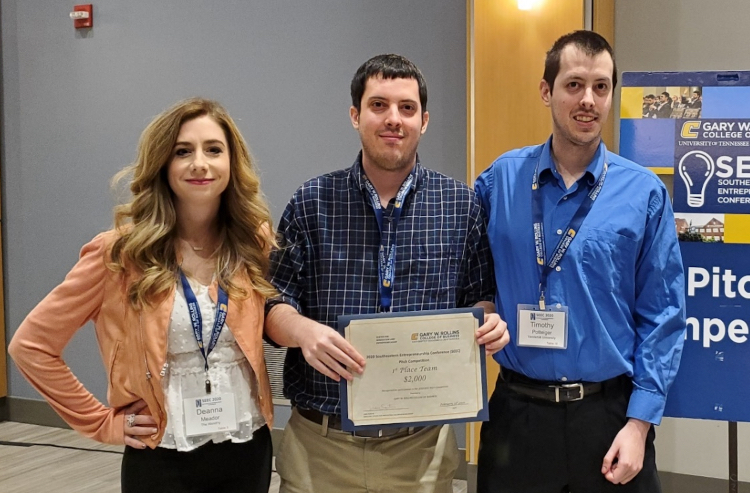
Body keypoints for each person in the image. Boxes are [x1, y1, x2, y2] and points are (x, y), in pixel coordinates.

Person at [265, 54, 509, 493]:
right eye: (379, 105)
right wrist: (303, 331)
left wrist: (486, 321)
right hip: (322, 447)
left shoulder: (460, 204)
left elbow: (480, 295)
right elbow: (272, 301)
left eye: (407, 108)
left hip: (420, 451)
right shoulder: (312, 201)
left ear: (425, 120)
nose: (393, 119)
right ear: (356, 115)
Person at [9, 98, 276, 493]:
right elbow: (31, 345)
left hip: (247, 445)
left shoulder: (254, 242)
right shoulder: (118, 255)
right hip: (162, 455)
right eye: (183, 151)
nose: (200, 163)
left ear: (232, 163)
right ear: (162, 165)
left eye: (214, 150)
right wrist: (101, 423)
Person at [475, 31, 686, 493]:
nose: (588, 100)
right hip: (518, 415)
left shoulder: (644, 194)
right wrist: (483, 305)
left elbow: (663, 316)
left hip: (609, 419)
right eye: (573, 85)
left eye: (601, 86)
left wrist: (639, 426)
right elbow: (468, 272)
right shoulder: (499, 180)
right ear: (546, 91)